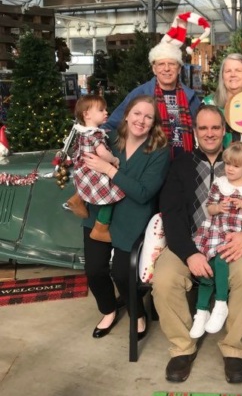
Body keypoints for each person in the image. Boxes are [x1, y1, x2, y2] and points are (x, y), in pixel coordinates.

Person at [151, 105, 242, 384]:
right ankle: (182, 347)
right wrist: (190, 253)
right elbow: (171, 212)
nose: (209, 133)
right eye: (203, 128)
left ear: (224, 131)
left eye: (215, 127)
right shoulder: (180, 165)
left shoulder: (240, 162)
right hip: (192, 240)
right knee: (165, 278)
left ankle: (234, 350)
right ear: (194, 132)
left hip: (233, 241)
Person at [82, 95, 169, 340]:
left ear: (153, 123)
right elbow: (85, 164)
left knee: (122, 273)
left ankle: (137, 312)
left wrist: (109, 169)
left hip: (133, 216)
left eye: (148, 117)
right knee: (94, 270)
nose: (141, 120)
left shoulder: (159, 151)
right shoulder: (106, 139)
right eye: (137, 114)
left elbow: (143, 193)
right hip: (99, 213)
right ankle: (108, 310)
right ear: (127, 114)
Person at [104, 13, 208, 158]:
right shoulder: (140, 94)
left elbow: (202, 129)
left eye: (171, 64)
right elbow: (111, 125)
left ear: (179, 69)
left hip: (186, 163)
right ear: (154, 69)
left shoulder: (190, 96)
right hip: (150, 163)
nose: (166, 69)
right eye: (161, 64)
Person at [190, 141, 242, 339]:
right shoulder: (220, 183)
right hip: (216, 229)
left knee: (221, 258)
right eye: (228, 164)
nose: (230, 169)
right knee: (207, 264)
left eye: (236, 165)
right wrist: (219, 208)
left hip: (236, 231)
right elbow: (210, 207)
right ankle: (201, 312)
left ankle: (221, 303)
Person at [66, 95, 124, 243]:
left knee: (92, 189)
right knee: (113, 196)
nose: (106, 113)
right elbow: (103, 154)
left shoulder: (82, 131)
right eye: (101, 110)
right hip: (94, 172)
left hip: (83, 171)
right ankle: (100, 228)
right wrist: (115, 159)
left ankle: (77, 198)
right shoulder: (95, 134)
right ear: (87, 114)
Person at [203, 53, 242, 168]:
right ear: (222, 76)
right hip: (218, 170)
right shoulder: (209, 104)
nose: (233, 75)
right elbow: (199, 139)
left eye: (238, 70)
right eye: (228, 71)